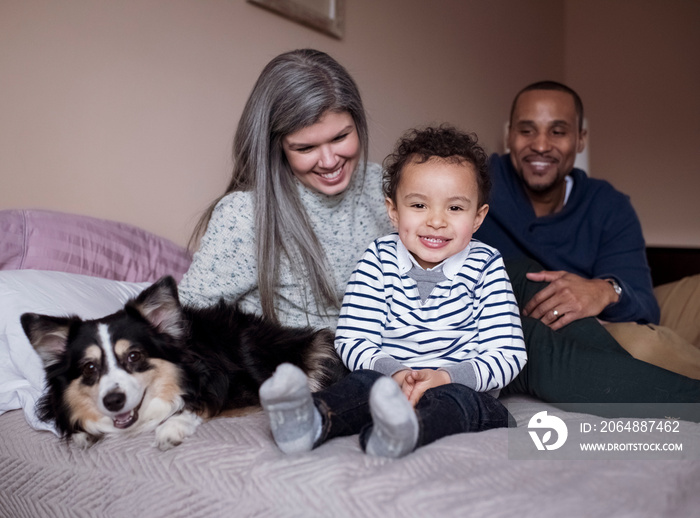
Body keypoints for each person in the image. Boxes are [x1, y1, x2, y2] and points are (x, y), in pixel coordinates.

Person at [259, 126, 527, 458]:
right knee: (358, 386)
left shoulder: (486, 265)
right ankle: (306, 420)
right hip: (388, 379)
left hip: (459, 384)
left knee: (467, 406)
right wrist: (395, 373)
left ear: (477, 217)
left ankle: (401, 433)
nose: (436, 221)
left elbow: (508, 354)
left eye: (455, 209)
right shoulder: (377, 259)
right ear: (394, 210)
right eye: (419, 205)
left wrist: (446, 376)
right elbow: (353, 340)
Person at [474, 81, 700, 414]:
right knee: (644, 346)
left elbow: (643, 300)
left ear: (580, 139)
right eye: (527, 130)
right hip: (572, 334)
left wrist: (605, 291)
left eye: (558, 132)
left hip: (614, 312)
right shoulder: (476, 186)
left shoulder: (607, 204)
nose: (540, 145)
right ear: (509, 137)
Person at [178, 49, 392, 329]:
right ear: (276, 147)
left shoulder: (383, 186)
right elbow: (184, 320)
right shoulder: (246, 215)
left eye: (340, 137)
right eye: (305, 147)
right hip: (304, 365)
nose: (329, 161)